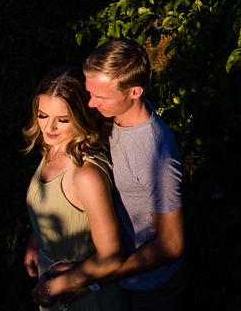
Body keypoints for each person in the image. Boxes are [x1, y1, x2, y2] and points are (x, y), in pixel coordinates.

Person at [80, 38, 186, 310]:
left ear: (134, 92)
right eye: (90, 92)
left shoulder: (155, 154)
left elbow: (171, 244)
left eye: (100, 97)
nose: (91, 104)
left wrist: (101, 277)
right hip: (119, 270)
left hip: (149, 288)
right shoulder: (114, 117)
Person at [23, 66, 128, 310]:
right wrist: (38, 237)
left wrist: (51, 289)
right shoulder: (55, 145)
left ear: (82, 116)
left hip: (87, 300)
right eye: (42, 115)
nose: (49, 128)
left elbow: (111, 257)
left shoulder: (85, 175)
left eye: (62, 120)